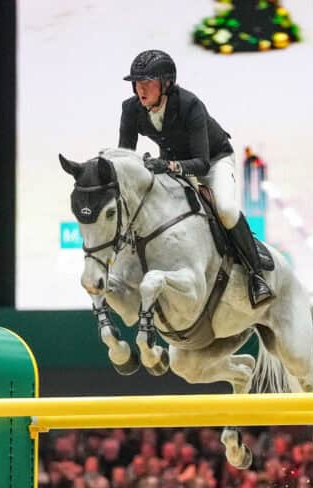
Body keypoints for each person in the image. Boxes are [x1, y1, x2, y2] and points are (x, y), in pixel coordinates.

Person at [118, 49, 274, 307]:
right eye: (137, 83)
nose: (140, 89)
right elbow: (125, 157)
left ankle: (256, 274)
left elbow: (201, 165)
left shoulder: (190, 105)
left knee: (224, 208)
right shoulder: (130, 109)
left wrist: (166, 164)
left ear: (166, 84)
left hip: (213, 160)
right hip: (171, 161)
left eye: (147, 82)